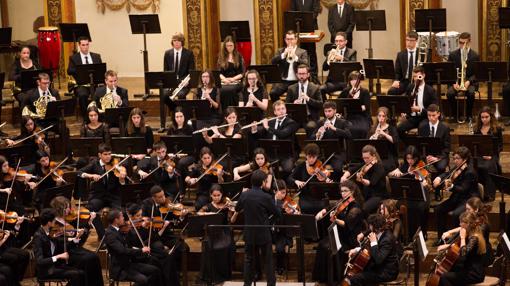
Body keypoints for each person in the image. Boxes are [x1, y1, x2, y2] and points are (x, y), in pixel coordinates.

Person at [313, 180, 365, 283]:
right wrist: (323, 211)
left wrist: (335, 220)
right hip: (340, 235)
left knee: (330, 248)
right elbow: (331, 206)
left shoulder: (356, 208)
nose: (343, 193)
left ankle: (334, 278)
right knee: (322, 244)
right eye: (341, 191)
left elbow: (347, 224)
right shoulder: (343, 202)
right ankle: (322, 277)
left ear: (353, 191)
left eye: (345, 191)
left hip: (349, 238)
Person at [235, 170, 281, 286]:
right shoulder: (266, 197)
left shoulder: (245, 195)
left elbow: (237, 209)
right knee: (268, 261)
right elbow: (277, 213)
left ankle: (247, 284)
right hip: (263, 234)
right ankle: (271, 284)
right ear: (262, 182)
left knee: (248, 260)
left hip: (249, 233)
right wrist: (278, 201)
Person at [49, 196, 104, 286]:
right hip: (64, 254)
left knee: (94, 257)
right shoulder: (55, 224)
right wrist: (70, 239)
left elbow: (80, 242)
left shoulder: (69, 222)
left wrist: (89, 222)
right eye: (66, 207)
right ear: (60, 209)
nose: (69, 209)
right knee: (88, 259)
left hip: (74, 249)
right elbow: (58, 244)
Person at [77, 143, 127, 239]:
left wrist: (122, 179)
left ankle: (119, 236)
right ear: (100, 155)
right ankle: (103, 235)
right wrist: (90, 175)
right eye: (105, 154)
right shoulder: (94, 164)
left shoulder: (116, 165)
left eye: (109, 154)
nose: (108, 157)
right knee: (90, 210)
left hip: (113, 195)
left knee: (119, 212)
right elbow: (79, 173)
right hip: (98, 196)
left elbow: (122, 184)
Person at [124, 204, 181, 286]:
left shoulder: (143, 226)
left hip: (149, 250)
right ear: (131, 217)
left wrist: (163, 227)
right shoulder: (129, 230)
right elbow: (141, 245)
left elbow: (154, 238)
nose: (141, 218)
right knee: (159, 261)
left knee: (168, 258)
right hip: (139, 254)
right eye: (138, 216)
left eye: (141, 215)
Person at [432, 146, 479, 246]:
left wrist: (451, 186)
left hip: (468, 200)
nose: (455, 161)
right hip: (457, 197)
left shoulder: (470, 172)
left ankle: (454, 241)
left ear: (465, 159)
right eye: (454, 158)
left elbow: (464, 189)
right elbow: (447, 173)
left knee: (455, 215)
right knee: (438, 209)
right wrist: (439, 178)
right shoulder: (457, 167)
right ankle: (442, 238)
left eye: (457, 158)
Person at [104, 209, 162, 286]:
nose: (124, 218)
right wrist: (141, 250)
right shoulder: (110, 234)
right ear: (116, 220)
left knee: (155, 270)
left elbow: (129, 243)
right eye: (121, 217)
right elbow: (122, 250)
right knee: (143, 279)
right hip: (120, 269)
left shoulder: (119, 230)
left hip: (129, 264)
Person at [33, 208, 86, 286]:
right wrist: (58, 257)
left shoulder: (49, 232)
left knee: (81, 273)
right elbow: (40, 261)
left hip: (55, 266)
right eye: (54, 220)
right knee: (76, 275)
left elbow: (61, 246)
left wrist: (75, 239)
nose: (56, 222)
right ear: (49, 223)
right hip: (46, 270)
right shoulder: (38, 236)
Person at [388, 145, 431, 239]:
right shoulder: (405, 165)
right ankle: (407, 234)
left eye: (412, 159)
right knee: (402, 205)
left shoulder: (422, 165)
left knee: (417, 208)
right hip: (409, 196)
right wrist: (395, 173)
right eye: (408, 158)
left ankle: (421, 233)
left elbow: (428, 184)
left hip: (422, 197)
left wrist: (422, 180)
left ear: (416, 157)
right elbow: (390, 174)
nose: (410, 161)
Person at [346, 213, 399, 286]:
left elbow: (378, 259)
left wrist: (374, 243)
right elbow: (368, 249)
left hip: (387, 272)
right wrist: (356, 250)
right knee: (356, 272)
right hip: (378, 267)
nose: (369, 227)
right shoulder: (377, 233)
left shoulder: (387, 239)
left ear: (376, 227)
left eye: (370, 225)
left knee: (356, 278)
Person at [251, 100, 300, 178]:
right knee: (261, 167)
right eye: (278, 109)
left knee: (288, 169)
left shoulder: (291, 123)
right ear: (275, 112)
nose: (281, 111)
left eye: (283, 109)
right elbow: (261, 136)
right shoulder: (271, 122)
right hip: (270, 154)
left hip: (286, 154)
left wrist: (267, 127)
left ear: (286, 110)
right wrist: (254, 130)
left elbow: (282, 134)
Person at [434, 211, 486, 286]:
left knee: (443, 277)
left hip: (474, 273)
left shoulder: (474, 238)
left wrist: (462, 238)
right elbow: (459, 248)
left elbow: (463, 253)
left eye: (461, 222)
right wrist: (448, 246)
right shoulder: (470, 232)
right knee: (448, 270)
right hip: (466, 268)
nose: (459, 224)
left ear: (468, 224)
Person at [197, 184, 235, 284]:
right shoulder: (208, 206)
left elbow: (230, 221)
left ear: (222, 195)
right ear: (211, 195)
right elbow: (198, 213)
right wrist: (209, 214)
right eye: (214, 195)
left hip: (223, 232)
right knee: (209, 246)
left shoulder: (226, 205)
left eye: (219, 195)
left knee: (228, 247)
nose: (217, 197)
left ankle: (223, 274)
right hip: (212, 232)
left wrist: (231, 212)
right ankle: (212, 275)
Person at [441, 196, 493, 267]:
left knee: (458, 263)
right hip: (471, 251)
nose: (466, 212)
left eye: (468, 209)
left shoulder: (482, 225)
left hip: (480, 255)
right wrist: (450, 232)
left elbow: (467, 247)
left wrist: (449, 246)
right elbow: (465, 227)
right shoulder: (474, 219)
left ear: (476, 210)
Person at [161, 32, 196, 131]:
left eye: (178, 41)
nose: (176, 43)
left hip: (184, 83)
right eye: (174, 41)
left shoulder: (188, 53)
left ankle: (182, 118)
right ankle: (176, 113)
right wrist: (168, 82)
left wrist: (186, 81)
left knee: (181, 95)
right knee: (164, 96)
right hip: (171, 83)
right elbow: (166, 70)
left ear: (182, 42)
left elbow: (191, 71)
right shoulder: (168, 53)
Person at [341, 145, 387, 214]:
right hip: (366, 195)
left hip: (378, 196)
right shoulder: (364, 165)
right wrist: (344, 176)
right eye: (364, 158)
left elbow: (371, 183)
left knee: (362, 209)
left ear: (374, 156)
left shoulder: (379, 167)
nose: (365, 160)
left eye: (367, 158)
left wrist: (362, 180)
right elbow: (352, 169)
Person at [312, 101, 351, 180]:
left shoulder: (342, 122)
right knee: (314, 168)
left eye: (329, 111)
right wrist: (317, 134)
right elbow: (312, 137)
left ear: (335, 111)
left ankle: (335, 186)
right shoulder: (320, 123)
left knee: (337, 168)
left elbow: (348, 135)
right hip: (323, 153)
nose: (327, 113)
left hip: (337, 153)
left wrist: (335, 128)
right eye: (325, 111)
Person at [289, 143, 332, 215]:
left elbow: (327, 185)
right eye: (309, 157)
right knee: (305, 207)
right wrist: (297, 181)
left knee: (323, 207)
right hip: (305, 197)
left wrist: (325, 180)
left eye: (314, 157)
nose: (311, 160)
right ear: (306, 155)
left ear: (317, 156)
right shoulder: (301, 166)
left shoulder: (320, 166)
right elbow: (289, 178)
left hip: (319, 198)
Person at [446, 32, 480, 121]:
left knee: (471, 93)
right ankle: (457, 115)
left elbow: (477, 73)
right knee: (450, 94)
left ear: (469, 42)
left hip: (470, 82)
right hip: (456, 82)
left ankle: (469, 115)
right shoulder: (453, 55)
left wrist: (469, 81)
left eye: (464, 43)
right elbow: (448, 72)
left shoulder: (475, 56)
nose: (462, 45)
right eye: (460, 42)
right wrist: (454, 83)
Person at [397, 66, 439, 138]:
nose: (416, 79)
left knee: (422, 128)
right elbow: (406, 101)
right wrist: (404, 112)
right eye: (414, 77)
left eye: (418, 76)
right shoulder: (410, 87)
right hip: (412, 117)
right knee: (399, 129)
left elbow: (434, 109)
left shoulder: (430, 90)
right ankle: (410, 146)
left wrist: (420, 109)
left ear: (423, 76)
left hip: (425, 117)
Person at [67, 36, 103, 119]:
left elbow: (101, 70)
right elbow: (69, 70)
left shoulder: (96, 56)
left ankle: (100, 116)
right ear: (79, 45)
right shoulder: (74, 58)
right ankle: (86, 118)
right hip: (81, 84)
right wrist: (81, 69)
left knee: (102, 93)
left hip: (94, 84)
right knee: (82, 95)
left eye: (87, 44)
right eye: (83, 45)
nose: (85, 47)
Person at [270, 30, 309, 102]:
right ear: (285, 40)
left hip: (297, 81)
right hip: (283, 81)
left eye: (292, 39)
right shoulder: (280, 51)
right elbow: (273, 61)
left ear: (296, 40)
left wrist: (296, 57)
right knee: (273, 93)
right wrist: (283, 55)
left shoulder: (302, 52)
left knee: (293, 97)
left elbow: (306, 63)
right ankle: (280, 108)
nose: (290, 41)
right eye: (288, 39)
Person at [473, 106, 502, 201]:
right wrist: (481, 154)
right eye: (482, 117)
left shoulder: (497, 129)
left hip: (492, 155)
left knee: (488, 166)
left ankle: (488, 194)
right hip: (480, 155)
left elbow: (500, 146)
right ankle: (476, 193)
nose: (484, 119)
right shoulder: (477, 128)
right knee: (474, 166)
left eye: (486, 117)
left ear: (491, 117)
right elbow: (474, 144)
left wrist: (491, 155)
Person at [285, 64, 323, 137]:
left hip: (310, 117)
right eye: (299, 74)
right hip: (296, 118)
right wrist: (294, 104)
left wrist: (308, 99)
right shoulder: (291, 88)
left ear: (308, 74)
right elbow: (286, 106)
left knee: (311, 127)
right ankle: (295, 147)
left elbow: (320, 104)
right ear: (296, 74)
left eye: (303, 74)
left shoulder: (315, 88)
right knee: (288, 128)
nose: (301, 76)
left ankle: (310, 147)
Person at [272, 179, 300, 275]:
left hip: (283, 232)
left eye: (285, 192)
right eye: (282, 193)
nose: (284, 195)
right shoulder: (270, 201)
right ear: (275, 191)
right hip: (271, 231)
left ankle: (280, 267)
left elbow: (296, 215)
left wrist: (294, 213)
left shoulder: (288, 202)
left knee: (280, 248)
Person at [290, 0, 321, 81]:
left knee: (312, 52)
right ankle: (302, 74)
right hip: (299, 28)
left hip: (311, 27)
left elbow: (316, 10)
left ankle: (314, 76)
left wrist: (307, 19)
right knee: (301, 53)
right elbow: (292, 11)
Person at [185, 146, 225, 211]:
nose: (207, 160)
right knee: (198, 205)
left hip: (215, 194)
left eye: (208, 158)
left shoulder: (217, 167)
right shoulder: (197, 168)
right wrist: (189, 180)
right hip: (203, 194)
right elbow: (187, 178)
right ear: (201, 158)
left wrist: (219, 176)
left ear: (211, 157)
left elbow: (221, 183)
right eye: (204, 158)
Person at [320, 31, 357, 100]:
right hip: (332, 82)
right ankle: (326, 106)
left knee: (348, 91)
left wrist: (342, 58)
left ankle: (339, 105)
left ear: (346, 42)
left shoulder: (352, 52)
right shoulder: (330, 52)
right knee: (320, 89)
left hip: (345, 82)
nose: (338, 43)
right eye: (336, 41)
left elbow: (353, 66)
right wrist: (328, 61)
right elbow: (324, 68)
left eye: (340, 41)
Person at [417, 104, 450, 176]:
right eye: (429, 115)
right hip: (426, 155)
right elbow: (419, 144)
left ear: (438, 114)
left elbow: (447, 147)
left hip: (440, 155)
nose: (431, 118)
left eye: (433, 115)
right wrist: (425, 157)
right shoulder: (422, 126)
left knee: (440, 166)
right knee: (420, 165)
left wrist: (437, 158)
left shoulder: (445, 128)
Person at [340, 70, 371, 139]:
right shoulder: (345, 91)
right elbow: (340, 103)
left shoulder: (365, 92)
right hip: (349, 115)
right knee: (347, 130)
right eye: (352, 80)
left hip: (362, 116)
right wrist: (350, 95)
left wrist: (357, 107)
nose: (354, 82)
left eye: (356, 79)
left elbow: (366, 107)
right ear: (349, 81)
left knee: (363, 129)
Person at [368, 106, 399, 173]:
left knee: (382, 167)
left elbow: (395, 140)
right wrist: (374, 135)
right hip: (376, 154)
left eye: (383, 116)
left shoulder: (391, 128)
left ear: (387, 117)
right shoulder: (374, 128)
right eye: (379, 116)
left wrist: (384, 134)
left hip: (388, 155)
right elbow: (369, 143)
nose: (381, 118)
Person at [387, 31, 419, 95]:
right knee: (391, 91)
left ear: (416, 41)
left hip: (417, 81)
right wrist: (396, 80)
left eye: (411, 40)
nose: (409, 42)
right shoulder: (400, 54)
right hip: (404, 81)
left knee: (411, 89)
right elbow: (397, 71)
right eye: (407, 40)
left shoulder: (421, 53)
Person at [218, 35, 245, 112]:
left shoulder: (239, 56)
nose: (229, 47)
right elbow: (219, 73)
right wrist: (225, 79)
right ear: (225, 46)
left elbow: (242, 73)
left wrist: (233, 79)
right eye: (227, 46)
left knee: (231, 90)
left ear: (234, 45)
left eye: (231, 45)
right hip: (225, 81)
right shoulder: (221, 56)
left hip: (236, 80)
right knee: (222, 90)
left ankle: (233, 112)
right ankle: (224, 113)